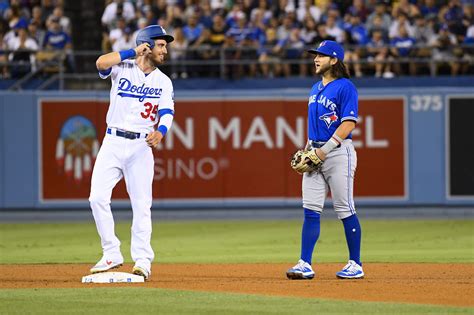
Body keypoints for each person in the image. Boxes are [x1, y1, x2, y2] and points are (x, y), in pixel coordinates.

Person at [89, 25, 175, 281]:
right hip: (113, 140)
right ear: (146, 46)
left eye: (165, 45)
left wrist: (161, 131)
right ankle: (111, 252)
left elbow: (167, 111)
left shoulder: (163, 80)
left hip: (140, 145)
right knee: (97, 198)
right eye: (160, 45)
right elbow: (100, 62)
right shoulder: (122, 67)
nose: (165, 50)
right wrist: (130, 52)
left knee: (141, 204)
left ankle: (142, 259)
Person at [286, 40, 364, 280]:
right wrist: (310, 149)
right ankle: (304, 263)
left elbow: (348, 123)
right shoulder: (315, 88)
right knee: (310, 210)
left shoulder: (345, 87)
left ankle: (355, 264)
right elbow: (315, 127)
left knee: (344, 207)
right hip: (315, 151)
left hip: (339, 153)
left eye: (321, 55)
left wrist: (325, 150)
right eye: (314, 56)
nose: (315, 59)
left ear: (334, 60)